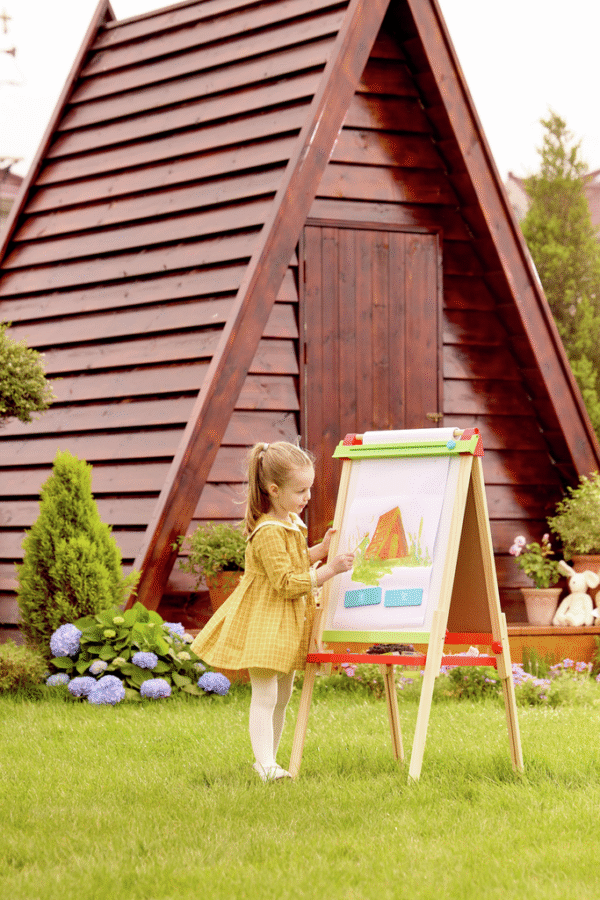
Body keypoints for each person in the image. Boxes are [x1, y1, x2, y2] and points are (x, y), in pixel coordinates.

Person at [191, 441, 354, 782]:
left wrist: (319, 550)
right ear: (274, 490)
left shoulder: (290, 523)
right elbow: (285, 582)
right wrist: (329, 569)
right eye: (300, 490)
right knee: (265, 695)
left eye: (309, 488)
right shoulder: (266, 531)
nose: (307, 496)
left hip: (287, 621)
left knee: (282, 696)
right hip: (265, 619)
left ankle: (270, 761)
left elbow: (293, 562)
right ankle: (264, 765)